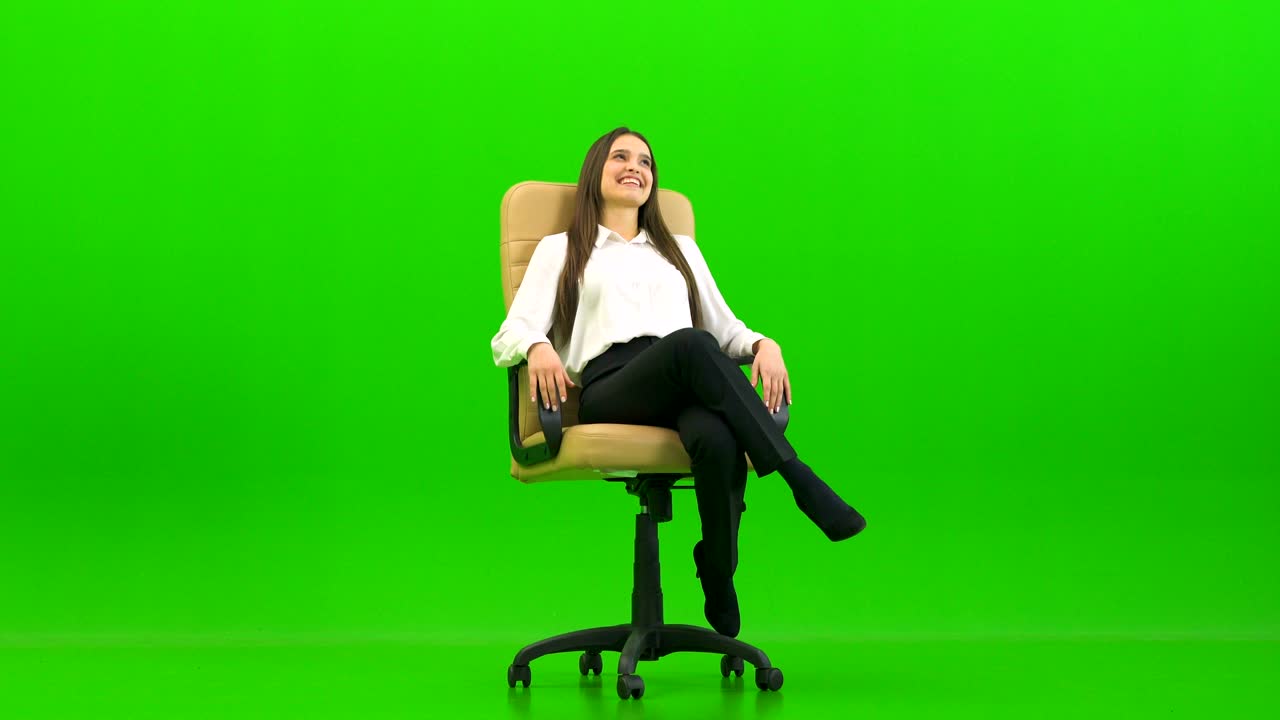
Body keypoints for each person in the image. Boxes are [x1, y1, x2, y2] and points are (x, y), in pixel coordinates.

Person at [491, 127, 866, 639]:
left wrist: (763, 346)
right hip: (613, 387)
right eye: (620, 158)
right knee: (691, 345)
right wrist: (536, 346)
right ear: (595, 172)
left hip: (686, 379)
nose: (635, 168)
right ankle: (799, 479)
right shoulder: (563, 248)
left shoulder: (679, 249)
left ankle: (718, 568)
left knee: (716, 436)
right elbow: (510, 331)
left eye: (645, 162)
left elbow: (725, 329)